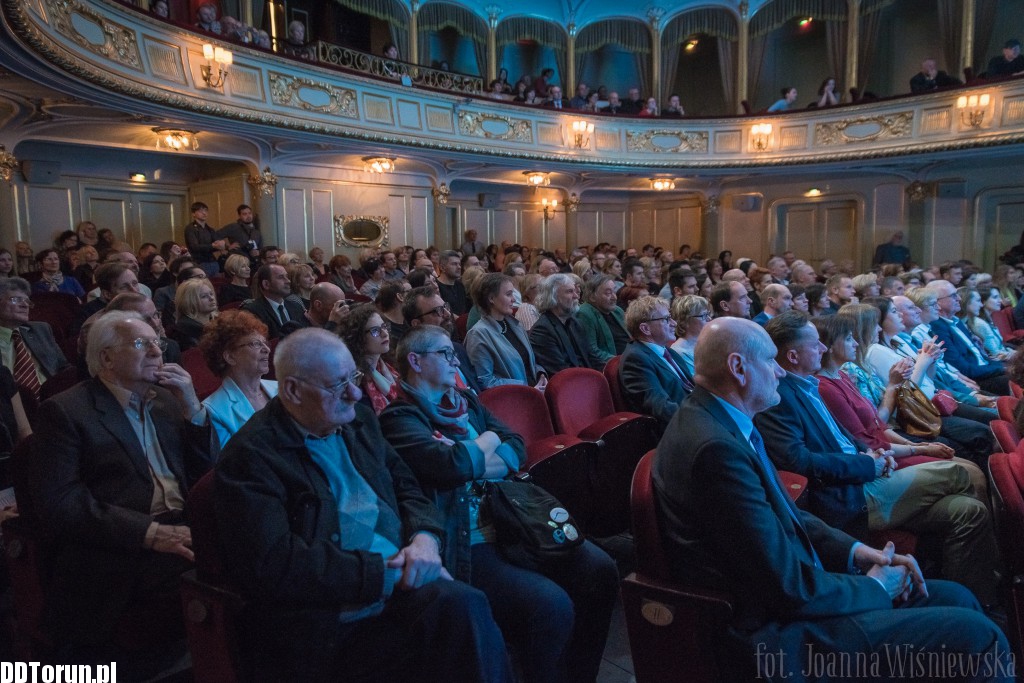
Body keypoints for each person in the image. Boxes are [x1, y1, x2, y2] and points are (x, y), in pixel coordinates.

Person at [653, 316, 1012, 683]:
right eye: (770, 361)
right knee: (977, 637)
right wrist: (873, 586)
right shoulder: (715, 448)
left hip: (791, 596)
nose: (779, 372)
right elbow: (787, 588)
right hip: (771, 637)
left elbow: (786, 514)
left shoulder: (721, 421)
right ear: (738, 367)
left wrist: (856, 551)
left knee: (957, 596)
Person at [213, 328, 511, 681]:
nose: (355, 393)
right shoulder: (251, 457)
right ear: (292, 390)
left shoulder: (359, 423)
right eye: (338, 385)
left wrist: (426, 538)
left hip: (399, 587)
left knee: (465, 608)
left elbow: (408, 490)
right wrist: (387, 573)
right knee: (461, 612)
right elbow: (275, 565)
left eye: (353, 377)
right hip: (329, 619)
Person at [380, 325, 617, 683]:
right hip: (470, 537)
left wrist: (479, 449)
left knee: (600, 570)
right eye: (444, 353)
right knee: (550, 605)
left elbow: (515, 443)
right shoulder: (399, 420)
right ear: (415, 360)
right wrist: (483, 450)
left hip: (514, 519)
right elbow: (451, 466)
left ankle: (581, 675)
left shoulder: (467, 402)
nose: (453, 359)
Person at [757, 311, 1000, 606]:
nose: (822, 349)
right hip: (849, 494)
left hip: (868, 472)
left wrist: (876, 454)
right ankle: (1009, 552)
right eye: (815, 344)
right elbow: (800, 461)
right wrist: (868, 462)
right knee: (963, 473)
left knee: (969, 510)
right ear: (793, 356)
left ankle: (979, 601)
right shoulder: (781, 395)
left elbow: (849, 438)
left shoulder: (808, 385)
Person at [28, 311, 212, 672]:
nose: (157, 352)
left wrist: (193, 409)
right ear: (106, 358)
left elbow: (204, 476)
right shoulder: (65, 412)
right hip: (117, 542)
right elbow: (60, 503)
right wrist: (149, 533)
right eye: (142, 344)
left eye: (158, 343)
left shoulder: (167, 401)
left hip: (181, 525)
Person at [199, 310, 277, 452]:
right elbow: (233, 464)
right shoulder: (214, 410)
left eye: (265, 343)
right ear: (230, 356)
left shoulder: (280, 389)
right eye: (255, 344)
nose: (266, 349)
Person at [619, 296, 693, 429]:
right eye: (666, 319)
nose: (674, 323)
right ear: (645, 329)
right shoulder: (635, 359)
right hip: (678, 428)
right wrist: (701, 418)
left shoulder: (669, 351)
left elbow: (692, 387)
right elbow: (661, 407)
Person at [464, 273, 546, 390]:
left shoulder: (514, 324)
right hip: (512, 399)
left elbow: (529, 363)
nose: (514, 299)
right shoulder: (478, 334)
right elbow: (484, 381)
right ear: (491, 298)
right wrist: (526, 388)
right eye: (508, 294)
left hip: (533, 391)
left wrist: (540, 374)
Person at [927, 279, 1010, 394]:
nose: (959, 299)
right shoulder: (938, 328)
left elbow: (982, 358)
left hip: (986, 370)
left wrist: (1003, 366)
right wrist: (1002, 368)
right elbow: (964, 369)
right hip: (977, 380)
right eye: (953, 295)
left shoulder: (957, 321)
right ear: (937, 302)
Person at [0, 277, 71, 402]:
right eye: (16, 299)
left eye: (27, 301)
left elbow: (63, 367)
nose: (25, 305)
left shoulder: (40, 329)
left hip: (53, 400)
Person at [528, 273, 600, 375]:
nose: (576, 296)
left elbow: (592, 358)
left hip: (587, 380)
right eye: (569, 292)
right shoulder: (542, 330)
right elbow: (561, 373)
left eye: (575, 291)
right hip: (569, 385)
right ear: (553, 296)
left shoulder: (576, 323)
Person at [339, 304, 400, 415]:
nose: (385, 334)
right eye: (375, 331)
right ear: (358, 338)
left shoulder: (389, 367)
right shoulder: (356, 380)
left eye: (384, 327)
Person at [241, 264, 309, 340]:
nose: (288, 281)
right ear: (266, 284)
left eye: (287, 276)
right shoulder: (252, 311)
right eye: (281, 277)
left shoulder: (296, 307)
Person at [577, 274, 630, 366]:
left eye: (614, 291)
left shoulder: (617, 311)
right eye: (608, 293)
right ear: (592, 297)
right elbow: (592, 351)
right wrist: (620, 362)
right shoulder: (585, 314)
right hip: (611, 366)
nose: (614, 297)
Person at [184, 201, 225, 277]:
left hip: (213, 261)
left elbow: (216, 244)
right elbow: (194, 247)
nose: (204, 213)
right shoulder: (190, 228)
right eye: (200, 211)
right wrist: (212, 246)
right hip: (199, 262)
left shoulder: (210, 229)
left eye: (206, 210)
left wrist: (221, 244)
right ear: (193, 214)